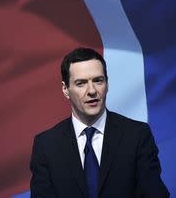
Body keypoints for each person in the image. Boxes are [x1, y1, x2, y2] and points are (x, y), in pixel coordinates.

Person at [30, 47, 169, 198]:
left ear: (107, 84)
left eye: (98, 81)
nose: (92, 90)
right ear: (65, 89)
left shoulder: (137, 135)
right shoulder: (46, 145)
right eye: (81, 83)